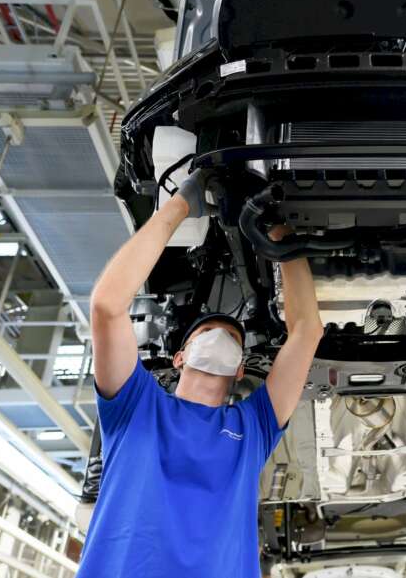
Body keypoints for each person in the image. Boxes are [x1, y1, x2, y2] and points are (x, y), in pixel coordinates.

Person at [77, 171, 323, 577]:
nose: (220, 336)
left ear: (240, 368)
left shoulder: (253, 426)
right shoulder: (134, 405)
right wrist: (180, 205)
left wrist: (278, 232)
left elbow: (306, 331)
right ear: (178, 357)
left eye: (232, 338)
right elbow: (107, 305)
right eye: (208, 331)